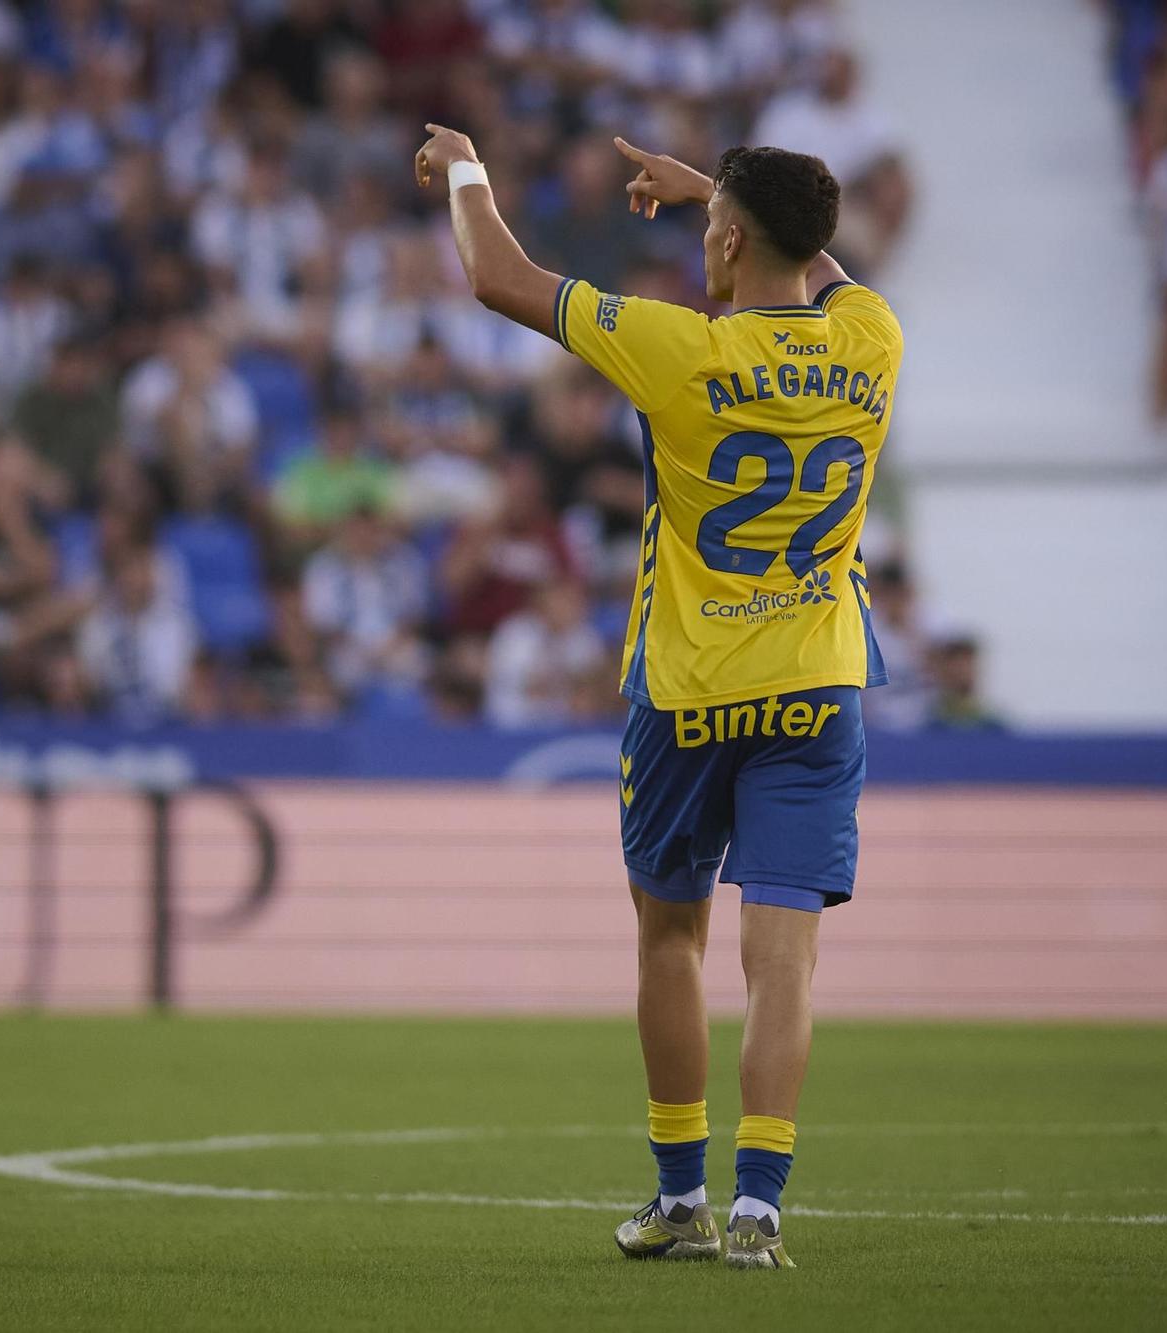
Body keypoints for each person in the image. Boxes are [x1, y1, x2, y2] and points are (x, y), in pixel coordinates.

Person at [416, 124, 902, 1269]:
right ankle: (758, 1212)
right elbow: (821, 267)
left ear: (725, 240)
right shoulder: (872, 338)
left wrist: (471, 167)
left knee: (670, 939)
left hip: (686, 689)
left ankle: (678, 1194)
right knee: (781, 961)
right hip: (816, 685)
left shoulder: (675, 347)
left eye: (711, 231)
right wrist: (715, 200)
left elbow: (496, 276)